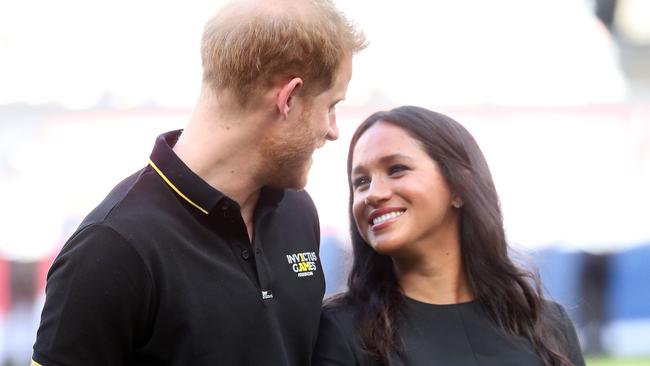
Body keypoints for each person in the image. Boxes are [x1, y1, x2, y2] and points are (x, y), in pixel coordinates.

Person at [31, 1, 365, 365]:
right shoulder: (111, 249)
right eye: (331, 105)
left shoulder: (298, 212)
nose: (332, 130)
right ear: (289, 99)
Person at [313, 106, 585, 366]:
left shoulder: (548, 325)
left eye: (396, 169)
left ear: (458, 186)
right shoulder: (343, 331)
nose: (373, 193)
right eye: (361, 182)